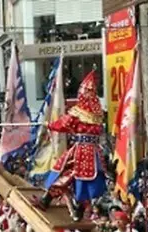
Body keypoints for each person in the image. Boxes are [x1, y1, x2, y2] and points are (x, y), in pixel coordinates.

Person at [37, 71, 107, 220]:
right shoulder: (98, 112)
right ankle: (78, 210)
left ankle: (46, 200)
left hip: (81, 150)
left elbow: (63, 123)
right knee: (84, 183)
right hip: (94, 153)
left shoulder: (79, 112)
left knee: (63, 173)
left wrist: (49, 125)